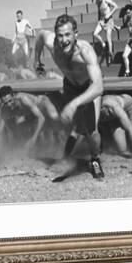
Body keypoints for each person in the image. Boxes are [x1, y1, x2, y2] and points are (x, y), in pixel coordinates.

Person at [34, 14, 104, 179]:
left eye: (68, 35)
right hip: (70, 86)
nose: (64, 40)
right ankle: (68, 152)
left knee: (91, 131)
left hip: (89, 88)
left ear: (75, 34)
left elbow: (98, 86)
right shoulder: (52, 43)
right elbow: (40, 35)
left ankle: (95, 159)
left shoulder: (85, 51)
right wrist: (36, 60)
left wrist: (74, 104)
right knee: (73, 124)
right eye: (60, 35)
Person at [0, 85, 61, 152]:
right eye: (5, 103)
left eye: (10, 101)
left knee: (54, 117)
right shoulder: (5, 109)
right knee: (19, 127)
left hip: (43, 104)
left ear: (13, 96)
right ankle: (34, 148)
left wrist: (33, 139)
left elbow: (41, 118)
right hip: (32, 114)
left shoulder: (23, 99)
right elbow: (1, 128)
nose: (9, 105)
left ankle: (63, 141)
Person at [93, 0, 118, 66]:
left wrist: (109, 14)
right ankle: (103, 44)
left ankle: (110, 55)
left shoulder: (106, 0)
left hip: (109, 20)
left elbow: (116, 6)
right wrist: (99, 20)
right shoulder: (97, 3)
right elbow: (99, 11)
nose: (98, 0)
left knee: (108, 37)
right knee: (95, 34)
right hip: (102, 20)